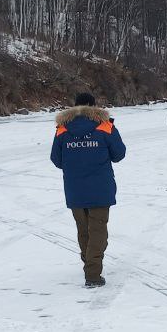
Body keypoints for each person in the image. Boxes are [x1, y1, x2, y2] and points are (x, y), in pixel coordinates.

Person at [50, 91, 126, 287]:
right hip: (100, 188)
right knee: (99, 232)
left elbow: (56, 159)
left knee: (84, 231)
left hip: (75, 188)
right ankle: (92, 273)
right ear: (94, 106)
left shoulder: (62, 129)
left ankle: (90, 264)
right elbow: (119, 154)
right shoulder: (105, 126)